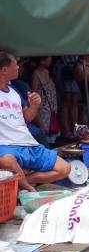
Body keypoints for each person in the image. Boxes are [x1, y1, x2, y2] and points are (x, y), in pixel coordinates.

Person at [0, 51, 70, 187]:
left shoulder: (13, 90)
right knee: (7, 161)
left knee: (64, 169)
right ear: (4, 70)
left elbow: (26, 118)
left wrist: (34, 106)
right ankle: (31, 190)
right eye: (15, 65)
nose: (18, 68)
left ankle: (24, 180)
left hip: (28, 143)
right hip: (6, 146)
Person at [30, 57, 58, 139]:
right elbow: (34, 93)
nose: (51, 59)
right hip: (42, 109)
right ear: (42, 61)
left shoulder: (47, 71)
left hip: (51, 107)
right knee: (44, 131)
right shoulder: (36, 74)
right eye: (48, 57)